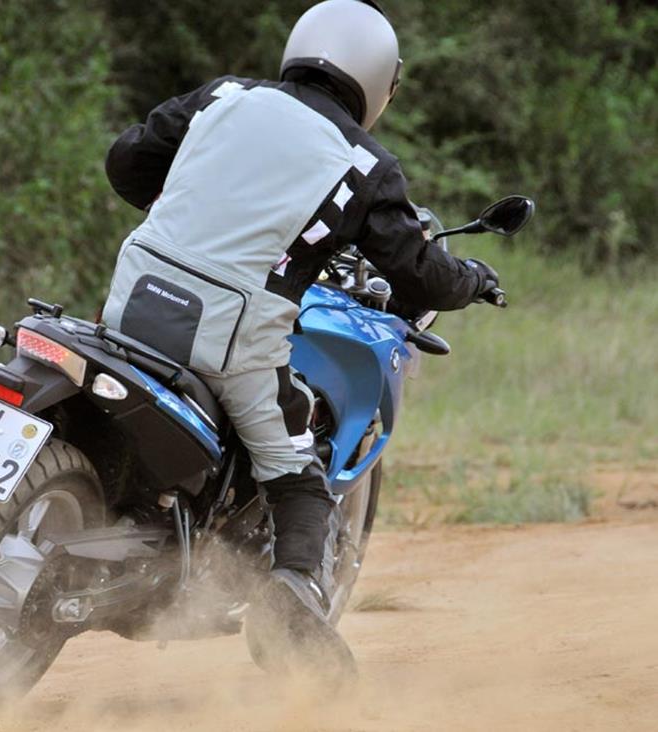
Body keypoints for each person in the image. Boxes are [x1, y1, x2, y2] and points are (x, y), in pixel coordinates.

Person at [101, 0, 500, 670]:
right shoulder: (364, 164)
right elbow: (421, 274)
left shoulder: (224, 96)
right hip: (229, 342)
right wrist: (471, 278)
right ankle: (288, 602)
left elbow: (126, 162)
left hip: (129, 308)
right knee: (297, 476)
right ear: (379, 81)